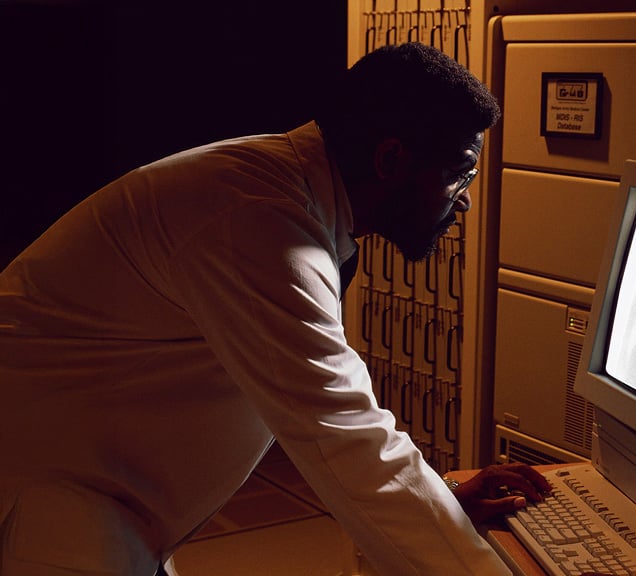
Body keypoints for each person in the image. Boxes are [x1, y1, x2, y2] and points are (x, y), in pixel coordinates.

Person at [0, 43, 551, 576]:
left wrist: (444, 503)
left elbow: (321, 419)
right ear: (390, 159)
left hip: (87, 496)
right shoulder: (255, 222)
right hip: (42, 494)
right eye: (461, 172)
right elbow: (342, 432)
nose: (467, 198)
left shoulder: (286, 196)